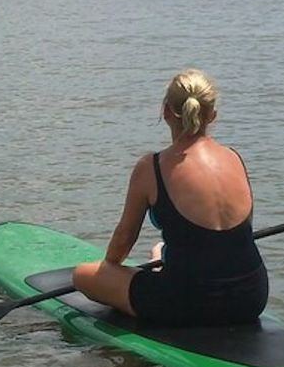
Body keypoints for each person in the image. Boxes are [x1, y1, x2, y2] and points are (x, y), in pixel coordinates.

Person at [72, 69, 268, 326]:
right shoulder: (234, 158)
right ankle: (162, 264)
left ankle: (158, 276)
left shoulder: (150, 167)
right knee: (160, 250)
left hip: (187, 303)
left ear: (165, 112)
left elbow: (123, 240)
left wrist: (110, 272)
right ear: (213, 115)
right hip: (251, 297)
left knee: (81, 274)